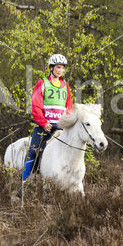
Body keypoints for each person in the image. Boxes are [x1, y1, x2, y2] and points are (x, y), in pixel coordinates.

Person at [21, 54, 74, 185]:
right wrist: (44, 123)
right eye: (58, 67)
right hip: (44, 127)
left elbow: (69, 107)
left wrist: (69, 123)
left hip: (61, 128)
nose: (60, 70)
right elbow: (36, 105)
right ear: (51, 68)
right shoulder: (42, 83)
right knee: (33, 152)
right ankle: (24, 183)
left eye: (62, 68)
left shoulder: (65, 85)